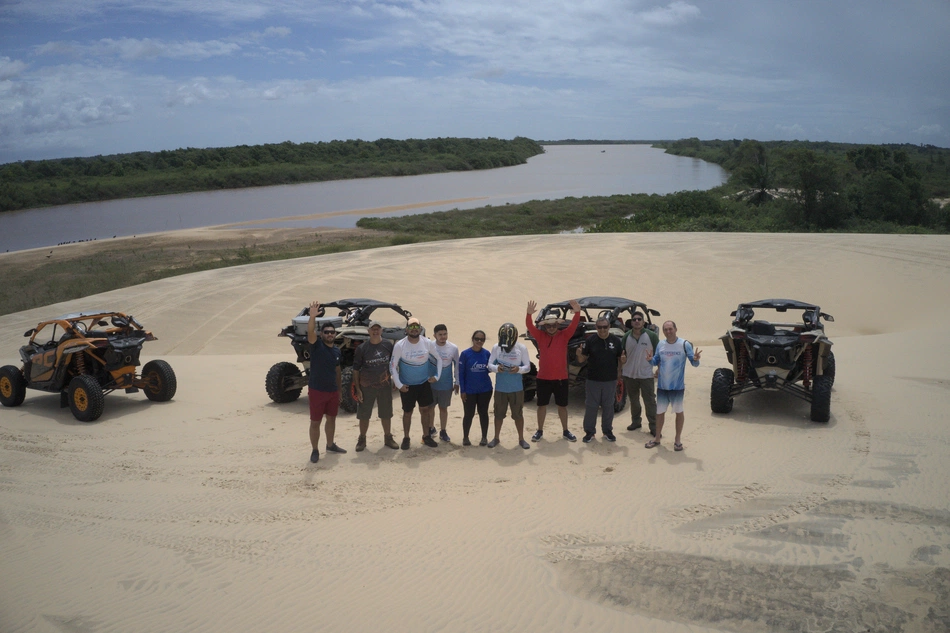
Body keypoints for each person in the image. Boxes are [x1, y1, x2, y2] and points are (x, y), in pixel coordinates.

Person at [525, 299, 582, 442]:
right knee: (541, 406)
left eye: (553, 325)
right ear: (545, 327)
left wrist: (577, 312)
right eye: (548, 325)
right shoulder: (540, 336)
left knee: (562, 406)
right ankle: (539, 431)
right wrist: (528, 314)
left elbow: (575, 325)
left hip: (561, 378)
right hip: (543, 378)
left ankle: (565, 431)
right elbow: (529, 326)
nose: (551, 327)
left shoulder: (564, 335)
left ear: (558, 325)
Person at [645, 320, 702, 452]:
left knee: (679, 412)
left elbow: (694, 364)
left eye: (670, 329)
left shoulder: (684, 344)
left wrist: (696, 360)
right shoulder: (661, 344)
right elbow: (655, 361)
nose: (668, 331)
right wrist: (649, 360)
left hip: (677, 387)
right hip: (662, 387)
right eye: (666, 329)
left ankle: (677, 440)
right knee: (659, 413)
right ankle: (657, 438)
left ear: (676, 329)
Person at [390, 317, 443, 449]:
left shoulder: (427, 343)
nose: (414, 330)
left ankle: (426, 436)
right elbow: (392, 366)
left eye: (416, 327)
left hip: (423, 384)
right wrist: (398, 384)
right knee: (407, 412)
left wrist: (437, 376)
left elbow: (439, 359)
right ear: (407, 329)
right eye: (411, 327)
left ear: (420, 328)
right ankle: (406, 438)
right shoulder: (399, 345)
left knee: (425, 410)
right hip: (407, 386)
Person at [306, 300, 347, 463]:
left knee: (332, 419)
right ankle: (315, 450)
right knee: (315, 421)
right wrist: (312, 317)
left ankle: (330, 445)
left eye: (332, 332)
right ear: (322, 334)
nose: (330, 334)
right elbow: (310, 333)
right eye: (327, 332)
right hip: (317, 390)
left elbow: (337, 371)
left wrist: (340, 390)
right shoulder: (316, 346)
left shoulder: (337, 351)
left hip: (332, 392)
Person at [576, 316, 625, 443]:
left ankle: (607, 431)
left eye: (605, 327)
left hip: (610, 380)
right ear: (596, 327)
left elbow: (621, 358)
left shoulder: (616, 341)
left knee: (608, 407)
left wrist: (619, 372)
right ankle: (589, 433)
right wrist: (579, 354)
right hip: (593, 380)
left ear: (609, 327)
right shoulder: (591, 340)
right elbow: (582, 359)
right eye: (599, 327)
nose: (602, 330)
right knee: (591, 406)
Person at [352, 320, 399, 452]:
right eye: (373, 329)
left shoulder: (388, 345)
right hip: (367, 386)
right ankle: (362, 438)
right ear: (368, 331)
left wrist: (395, 379)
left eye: (378, 329)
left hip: (384, 385)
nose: (375, 331)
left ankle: (388, 437)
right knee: (364, 414)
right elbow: (356, 369)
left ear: (382, 331)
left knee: (386, 413)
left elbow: (393, 364)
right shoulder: (362, 348)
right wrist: (358, 389)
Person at [487, 323, 532, 449]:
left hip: (516, 388)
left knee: (518, 414)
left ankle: (521, 439)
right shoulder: (496, 347)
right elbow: (490, 364)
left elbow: (527, 367)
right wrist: (497, 368)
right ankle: (496, 438)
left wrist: (518, 369)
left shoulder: (521, 348)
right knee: (498, 414)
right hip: (501, 388)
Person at [621, 311, 659, 435]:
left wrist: (660, 368)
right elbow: (621, 355)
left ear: (643, 322)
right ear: (631, 322)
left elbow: (659, 354)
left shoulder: (651, 336)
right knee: (634, 400)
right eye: (634, 319)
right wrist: (619, 370)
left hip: (646, 375)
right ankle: (636, 422)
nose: (636, 321)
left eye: (639, 319)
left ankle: (654, 427)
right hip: (629, 374)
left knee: (650, 401)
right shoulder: (626, 336)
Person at [458, 330, 493, 446]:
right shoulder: (465, 354)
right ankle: (465, 437)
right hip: (469, 391)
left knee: (483, 413)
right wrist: (462, 390)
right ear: (472, 339)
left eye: (482, 339)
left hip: (485, 389)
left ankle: (484, 437)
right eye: (477, 339)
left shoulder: (487, 354)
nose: (479, 341)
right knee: (468, 414)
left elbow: (491, 368)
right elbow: (461, 373)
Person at [430, 324, 460, 443]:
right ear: (434, 335)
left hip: (446, 384)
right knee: (430, 407)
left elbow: (457, 366)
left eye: (445, 334)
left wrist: (456, 382)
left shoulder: (453, 348)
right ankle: (431, 428)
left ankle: (443, 430)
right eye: (440, 334)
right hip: (431, 384)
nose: (443, 337)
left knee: (443, 408)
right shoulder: (429, 346)